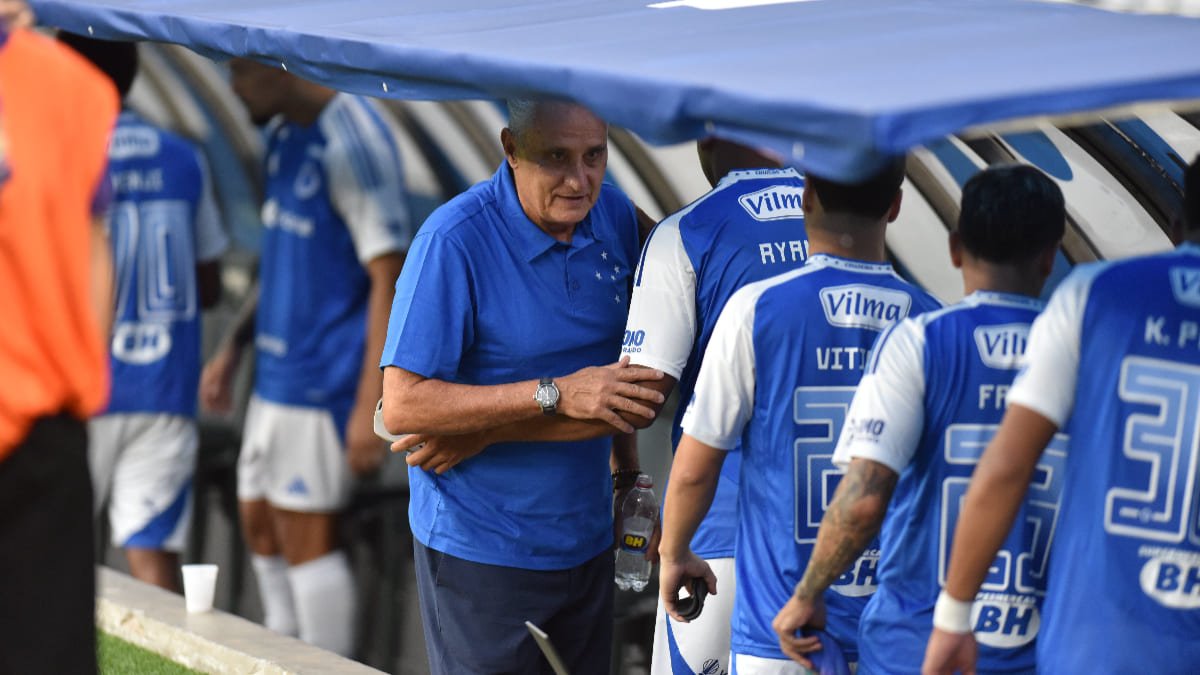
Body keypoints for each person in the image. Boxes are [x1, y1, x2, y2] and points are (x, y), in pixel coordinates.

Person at [378, 98, 666, 675]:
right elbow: (403, 404)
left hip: (587, 540)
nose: (579, 180)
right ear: (510, 149)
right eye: (556, 157)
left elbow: (628, 385)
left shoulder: (615, 217)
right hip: (482, 550)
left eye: (594, 156)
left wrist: (627, 478)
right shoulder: (454, 240)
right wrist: (552, 392)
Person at [772, 164, 1066, 674]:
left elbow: (864, 498)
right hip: (1042, 652)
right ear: (1050, 256)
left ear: (955, 249)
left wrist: (808, 593)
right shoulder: (1085, 356)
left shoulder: (920, 342)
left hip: (916, 649)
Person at [658, 156, 942, 674]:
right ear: (897, 206)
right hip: (892, 637)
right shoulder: (933, 323)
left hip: (779, 637)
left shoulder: (757, 310)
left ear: (807, 196)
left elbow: (697, 467)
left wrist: (674, 553)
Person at [923, 157, 1200, 674]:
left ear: (1177, 225)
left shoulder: (1096, 293)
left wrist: (954, 617)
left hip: (1097, 645)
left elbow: (1008, 466)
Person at [199, 58, 411, 656]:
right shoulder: (283, 134)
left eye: (241, 72)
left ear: (281, 67)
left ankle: (322, 663)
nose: (233, 88)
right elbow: (280, 255)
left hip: (325, 383)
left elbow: (389, 274)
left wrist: (372, 405)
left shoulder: (355, 140)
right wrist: (232, 345)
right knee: (259, 521)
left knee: (306, 536)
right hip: (274, 379)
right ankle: (282, 654)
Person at [622, 137, 809, 675]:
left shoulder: (687, 231)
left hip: (717, 536)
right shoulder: (841, 221)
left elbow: (638, 399)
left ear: (707, 138)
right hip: (828, 541)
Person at [58, 32, 230, 593]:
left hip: (77, 394)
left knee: (48, 554)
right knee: (152, 562)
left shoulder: (58, 153)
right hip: (163, 390)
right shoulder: (184, 156)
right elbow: (209, 284)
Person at [0, 19, 119, 675]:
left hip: (43, 437)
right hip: (46, 433)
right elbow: (96, 252)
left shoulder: (73, 90)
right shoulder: (77, 90)